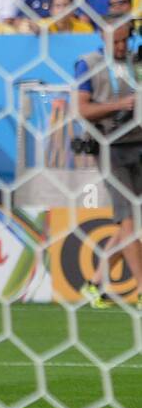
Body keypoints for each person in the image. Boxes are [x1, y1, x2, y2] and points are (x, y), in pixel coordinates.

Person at [75, 19, 142, 308]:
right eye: (114, 41)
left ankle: (95, 282)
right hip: (107, 147)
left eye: (124, 40)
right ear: (102, 36)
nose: (120, 46)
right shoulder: (87, 64)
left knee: (133, 224)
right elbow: (80, 109)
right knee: (127, 220)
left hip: (137, 145)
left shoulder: (133, 63)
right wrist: (119, 105)